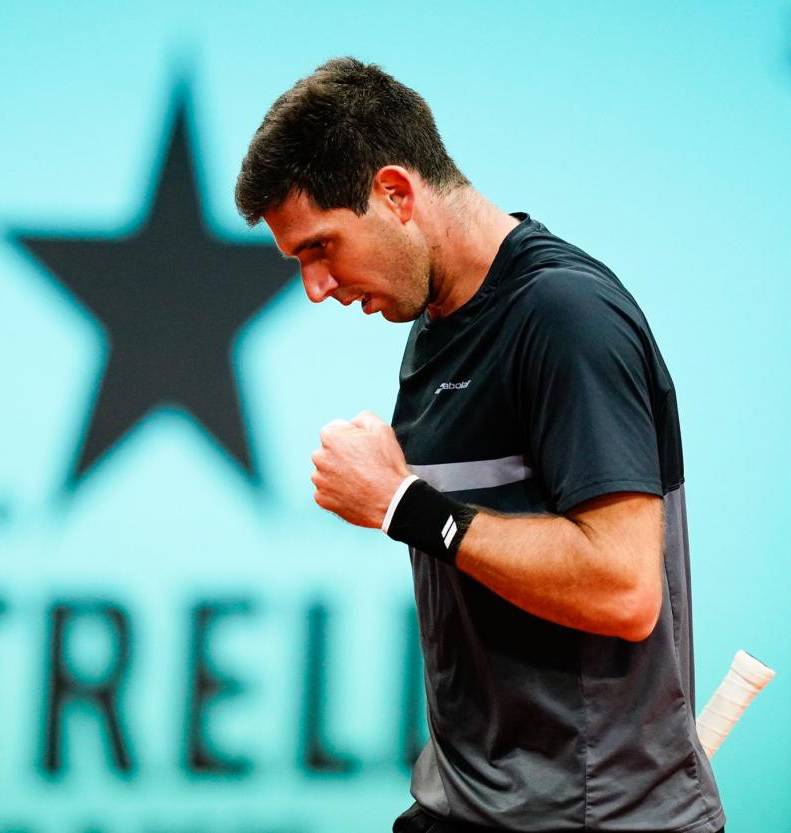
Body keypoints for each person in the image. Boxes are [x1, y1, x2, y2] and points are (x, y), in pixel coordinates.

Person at [234, 58, 725, 833]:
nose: (315, 288)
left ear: (396, 193)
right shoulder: (432, 327)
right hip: (469, 805)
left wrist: (405, 505)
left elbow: (625, 591)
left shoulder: (567, 317)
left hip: (595, 818)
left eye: (320, 247)